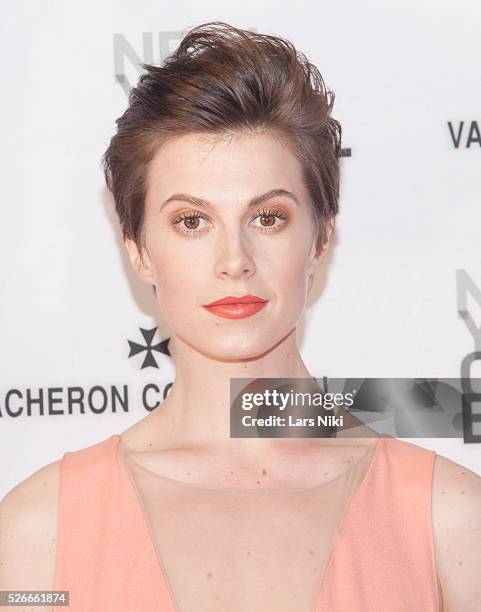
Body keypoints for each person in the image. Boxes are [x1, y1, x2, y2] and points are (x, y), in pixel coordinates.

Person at [1, 20, 480, 612]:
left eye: (268, 217)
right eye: (191, 221)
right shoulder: (36, 533)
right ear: (139, 249)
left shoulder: (452, 523)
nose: (235, 262)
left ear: (321, 238)